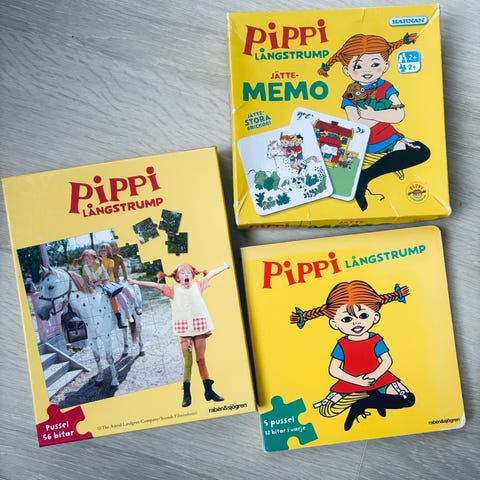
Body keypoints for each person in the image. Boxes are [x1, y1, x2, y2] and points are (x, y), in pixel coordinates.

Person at [318, 33, 430, 210]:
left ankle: (365, 177)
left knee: (422, 151)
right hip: (371, 141)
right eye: (358, 66)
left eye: (375, 64)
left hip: (391, 136)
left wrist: (372, 114)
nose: (367, 70)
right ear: (346, 71)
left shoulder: (386, 87)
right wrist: (382, 115)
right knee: (410, 151)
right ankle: (364, 178)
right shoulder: (349, 95)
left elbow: (399, 115)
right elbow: (357, 124)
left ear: (386, 65)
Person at [290, 280, 415, 431]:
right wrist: (356, 381)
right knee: (326, 410)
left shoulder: (375, 340)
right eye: (347, 319)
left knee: (408, 399)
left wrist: (374, 375)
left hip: (379, 378)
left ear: (375, 317)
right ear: (334, 324)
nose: (356, 323)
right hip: (351, 382)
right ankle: (372, 398)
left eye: (363, 316)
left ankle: (365, 403)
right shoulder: (342, 344)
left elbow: (387, 361)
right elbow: (334, 369)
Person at [129, 262, 229, 407]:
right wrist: (136, 282)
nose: (186, 274)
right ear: (177, 278)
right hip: (184, 331)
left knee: (201, 360)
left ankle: (209, 392)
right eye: (182, 273)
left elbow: (211, 274)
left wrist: (224, 267)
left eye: (188, 272)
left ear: (193, 275)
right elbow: (155, 285)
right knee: (188, 362)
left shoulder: (198, 285)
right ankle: (186, 395)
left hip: (199, 328)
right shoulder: (173, 290)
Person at [110, 240, 142, 315]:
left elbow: (123, 268)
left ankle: (136, 306)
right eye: (114, 249)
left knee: (125, 289)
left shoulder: (119, 258)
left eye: (118, 249)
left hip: (116, 278)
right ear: (110, 249)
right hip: (108, 280)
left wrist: (125, 277)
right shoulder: (107, 258)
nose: (116, 250)